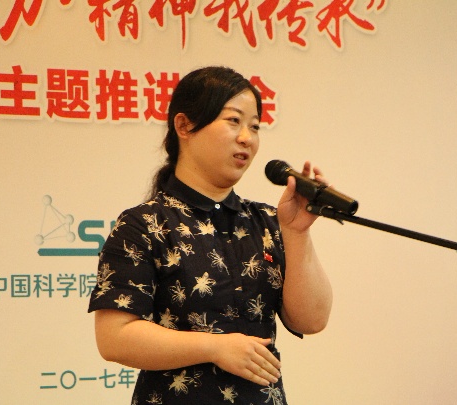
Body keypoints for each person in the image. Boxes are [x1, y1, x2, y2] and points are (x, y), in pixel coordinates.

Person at [88, 66, 332, 404]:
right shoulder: (143, 224)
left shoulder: (267, 221)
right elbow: (114, 338)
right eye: (234, 121)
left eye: (255, 126)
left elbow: (312, 319)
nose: (247, 138)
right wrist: (215, 347)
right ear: (184, 126)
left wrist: (296, 232)